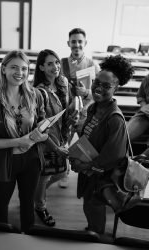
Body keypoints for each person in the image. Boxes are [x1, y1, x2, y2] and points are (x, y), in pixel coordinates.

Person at [0, 50, 48, 232]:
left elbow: (42, 123)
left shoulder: (35, 95)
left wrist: (42, 133)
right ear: (4, 69)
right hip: (3, 161)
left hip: (31, 160)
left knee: (27, 205)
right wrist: (19, 141)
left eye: (24, 68)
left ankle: (27, 238)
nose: (20, 73)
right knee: (1, 207)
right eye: (14, 67)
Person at [70, 55, 134, 235]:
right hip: (89, 171)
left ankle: (95, 236)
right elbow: (88, 138)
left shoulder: (115, 119)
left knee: (94, 206)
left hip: (101, 176)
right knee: (88, 205)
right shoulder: (93, 108)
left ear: (116, 88)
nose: (99, 88)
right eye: (97, 82)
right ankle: (92, 229)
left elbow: (114, 156)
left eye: (106, 86)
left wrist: (86, 165)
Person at [33, 49, 73, 227]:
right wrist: (55, 146)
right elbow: (40, 126)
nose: (55, 66)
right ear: (41, 67)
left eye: (56, 62)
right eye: (49, 64)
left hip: (63, 136)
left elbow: (68, 108)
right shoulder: (38, 92)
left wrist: (74, 114)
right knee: (45, 175)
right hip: (46, 141)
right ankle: (39, 206)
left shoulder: (63, 83)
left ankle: (34, 194)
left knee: (63, 172)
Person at [59, 27, 100, 188]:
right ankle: (63, 173)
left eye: (80, 41)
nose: (77, 45)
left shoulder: (93, 65)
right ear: (68, 43)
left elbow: (101, 91)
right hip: (67, 112)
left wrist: (87, 91)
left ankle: (85, 176)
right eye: (73, 41)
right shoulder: (61, 64)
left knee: (85, 146)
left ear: (85, 43)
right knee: (63, 144)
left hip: (86, 113)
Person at [126, 74, 149, 144]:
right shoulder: (148, 78)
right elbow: (140, 96)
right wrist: (144, 106)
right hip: (145, 114)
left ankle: (144, 155)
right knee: (124, 137)